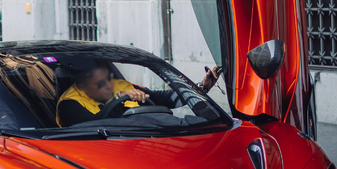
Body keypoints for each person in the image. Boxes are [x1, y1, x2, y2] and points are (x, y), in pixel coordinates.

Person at [56, 61, 221, 127]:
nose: (108, 86)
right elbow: (91, 125)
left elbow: (166, 99)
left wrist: (201, 87)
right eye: (99, 84)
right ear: (81, 84)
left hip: (152, 134)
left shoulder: (119, 85)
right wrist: (119, 99)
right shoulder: (68, 103)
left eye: (107, 79)